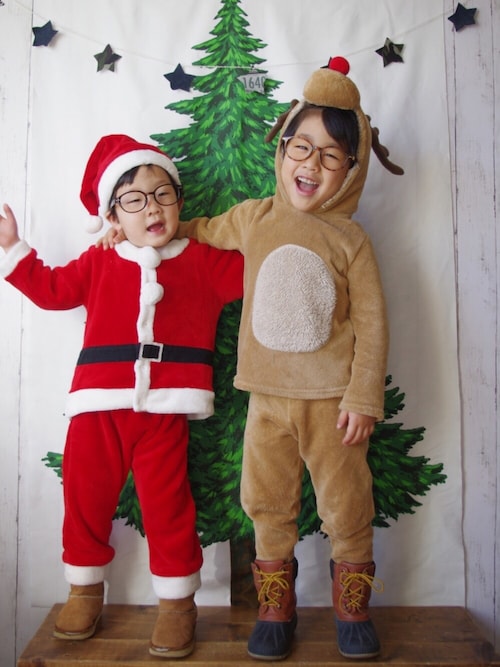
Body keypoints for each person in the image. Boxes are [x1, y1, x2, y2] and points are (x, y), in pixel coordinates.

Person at [102, 57, 401, 661]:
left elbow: (372, 323)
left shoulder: (351, 240)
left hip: (333, 405)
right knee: (266, 502)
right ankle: (274, 609)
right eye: (301, 147)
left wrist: (363, 396)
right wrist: (131, 231)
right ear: (282, 146)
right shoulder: (255, 218)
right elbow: (195, 229)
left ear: (352, 168)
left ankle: (352, 610)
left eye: (331, 156)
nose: (310, 165)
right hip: (265, 399)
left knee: (346, 505)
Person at [0, 134, 243, 659]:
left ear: (179, 201)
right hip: (97, 407)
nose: (152, 208)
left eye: (162, 194)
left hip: (166, 412)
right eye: (134, 200)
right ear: (112, 215)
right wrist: (12, 248)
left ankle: (177, 603)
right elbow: (53, 291)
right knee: (84, 498)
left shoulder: (203, 262)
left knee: (168, 506)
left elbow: (260, 270)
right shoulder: (99, 261)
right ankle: (84, 590)